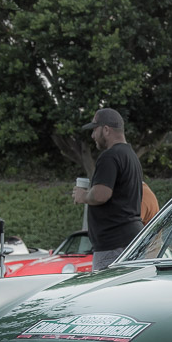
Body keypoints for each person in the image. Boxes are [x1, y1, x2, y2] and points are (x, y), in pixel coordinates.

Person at [72, 108, 145, 271]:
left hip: (112, 245)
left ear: (106, 129)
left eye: (94, 130)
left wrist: (83, 196)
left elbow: (100, 195)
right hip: (132, 240)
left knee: (106, 295)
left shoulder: (110, 156)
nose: (92, 136)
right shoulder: (131, 156)